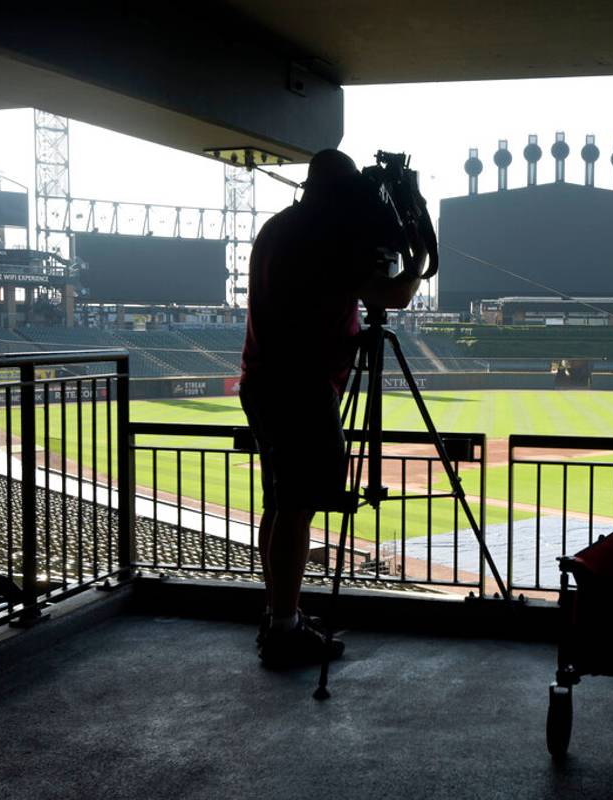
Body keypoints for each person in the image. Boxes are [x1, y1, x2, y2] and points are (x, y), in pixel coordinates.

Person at [239, 149, 425, 667]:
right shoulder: (324, 234)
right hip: (300, 388)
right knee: (296, 509)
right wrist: (418, 263)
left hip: (263, 381)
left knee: (279, 505)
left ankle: (279, 614)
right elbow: (394, 294)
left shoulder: (278, 228)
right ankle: (284, 630)